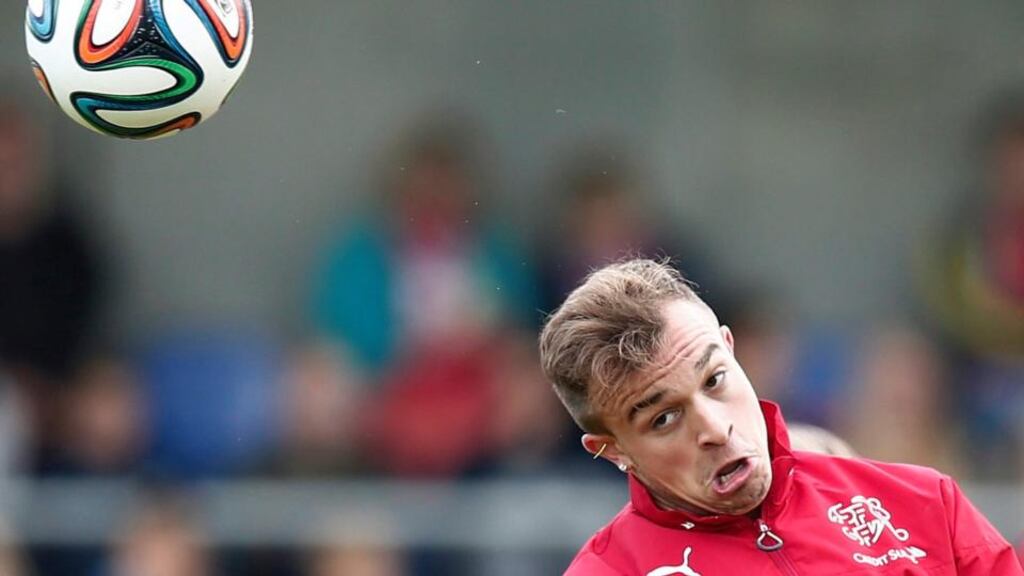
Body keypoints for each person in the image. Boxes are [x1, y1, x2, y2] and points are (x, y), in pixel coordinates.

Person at [539, 258, 1022, 575]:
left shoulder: (925, 503)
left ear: (731, 351)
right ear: (611, 449)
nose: (714, 428)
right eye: (663, 419)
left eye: (714, 380)